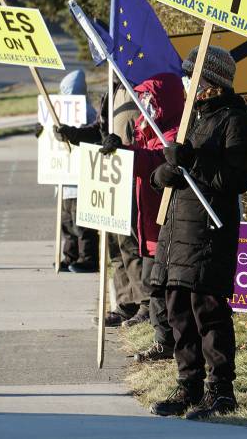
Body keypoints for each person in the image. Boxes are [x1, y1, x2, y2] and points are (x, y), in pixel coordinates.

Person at [148, 46, 247, 420]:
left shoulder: (234, 119)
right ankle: (188, 385)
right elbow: (180, 169)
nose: (184, 81)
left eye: (191, 75)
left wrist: (193, 160)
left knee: (207, 310)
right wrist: (162, 175)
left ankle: (221, 390)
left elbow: (237, 178)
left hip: (210, 231)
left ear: (211, 82)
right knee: (177, 309)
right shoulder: (192, 117)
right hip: (178, 229)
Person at [99, 72, 183, 362]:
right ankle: (163, 341)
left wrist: (124, 153)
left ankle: (170, 341)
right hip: (147, 225)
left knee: (161, 287)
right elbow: (142, 155)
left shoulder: (173, 137)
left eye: (149, 99)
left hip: (165, 228)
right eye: (142, 98)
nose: (143, 104)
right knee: (153, 282)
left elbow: (154, 162)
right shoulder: (146, 133)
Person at [54, 80, 146, 325]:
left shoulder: (141, 86)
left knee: (132, 242)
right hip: (111, 172)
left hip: (136, 170)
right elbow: (100, 129)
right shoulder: (112, 88)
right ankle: (126, 301)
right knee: (114, 243)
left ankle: (146, 303)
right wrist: (73, 134)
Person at [53, 70, 99, 272]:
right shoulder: (56, 112)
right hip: (64, 179)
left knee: (82, 223)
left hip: (79, 179)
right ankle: (69, 255)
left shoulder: (87, 112)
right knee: (67, 223)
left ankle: (87, 258)